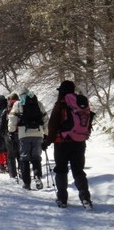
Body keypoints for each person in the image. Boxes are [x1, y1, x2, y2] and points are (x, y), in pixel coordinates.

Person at [43, 80, 94, 209]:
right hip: (79, 142)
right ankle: (85, 198)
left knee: (61, 170)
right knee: (78, 171)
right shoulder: (81, 103)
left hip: (62, 143)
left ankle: (62, 199)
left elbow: (53, 126)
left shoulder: (61, 104)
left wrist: (47, 142)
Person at [8, 87, 48, 190]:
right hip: (38, 134)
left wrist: (11, 131)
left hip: (24, 134)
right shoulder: (38, 103)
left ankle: (27, 183)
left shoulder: (18, 104)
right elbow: (45, 119)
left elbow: (12, 119)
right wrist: (46, 134)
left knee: (24, 158)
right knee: (36, 157)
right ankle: (37, 176)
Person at [5, 93, 21, 179]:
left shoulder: (8, 107)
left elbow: (5, 121)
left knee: (11, 155)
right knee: (20, 153)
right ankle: (22, 170)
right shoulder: (22, 106)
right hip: (21, 133)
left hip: (10, 133)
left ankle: (13, 173)